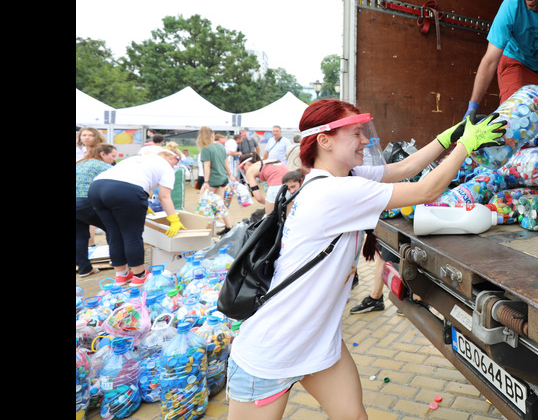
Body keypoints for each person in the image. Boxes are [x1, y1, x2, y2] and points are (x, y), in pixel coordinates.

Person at [227, 99, 505, 419]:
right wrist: (467, 145)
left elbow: (404, 168)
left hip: (317, 342)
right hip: (271, 350)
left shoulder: (340, 179)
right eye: (356, 133)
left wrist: (450, 137)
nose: (365, 141)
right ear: (325, 140)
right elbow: (426, 189)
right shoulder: (335, 192)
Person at [88, 149, 186, 286]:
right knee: (131, 234)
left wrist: (140, 201)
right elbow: (164, 196)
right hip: (125, 191)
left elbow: (139, 182)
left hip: (96, 188)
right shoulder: (166, 167)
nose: (176, 164)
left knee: (113, 233)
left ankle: (121, 275)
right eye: (177, 160)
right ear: (171, 157)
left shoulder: (137, 159)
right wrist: (174, 219)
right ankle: (140, 275)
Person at [75, 144, 118, 277]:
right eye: (113, 156)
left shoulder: (81, 163)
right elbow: (120, 183)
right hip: (84, 200)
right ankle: (118, 262)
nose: (114, 159)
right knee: (112, 227)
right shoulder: (102, 165)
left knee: (79, 235)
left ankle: (84, 268)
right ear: (103, 154)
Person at [197, 126, 234, 233]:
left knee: (202, 203)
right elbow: (225, 162)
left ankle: (203, 229)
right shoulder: (220, 146)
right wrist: (230, 175)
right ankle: (229, 226)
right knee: (220, 204)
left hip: (213, 180)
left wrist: (206, 182)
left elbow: (207, 166)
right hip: (222, 178)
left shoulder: (205, 148)